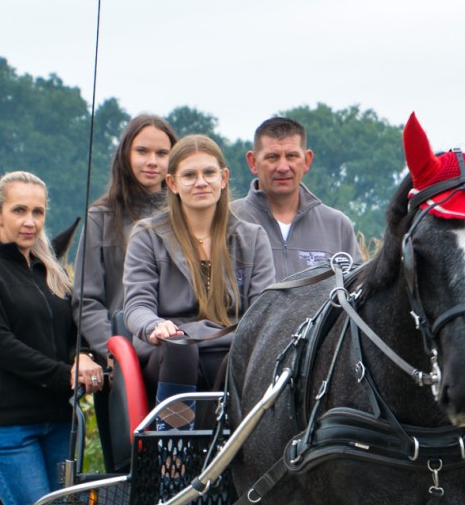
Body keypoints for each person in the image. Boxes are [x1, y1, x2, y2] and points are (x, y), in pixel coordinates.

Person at [0, 171, 103, 505]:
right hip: (5, 424)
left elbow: (73, 330)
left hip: (58, 420)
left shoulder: (50, 271)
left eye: (38, 212)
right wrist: (64, 374)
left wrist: (82, 356)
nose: (30, 221)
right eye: (19, 210)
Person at [123, 134, 275, 426]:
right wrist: (155, 326)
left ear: (223, 178)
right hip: (169, 353)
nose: (201, 182)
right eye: (190, 175)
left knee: (245, 357)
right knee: (181, 349)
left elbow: (264, 310)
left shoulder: (252, 238)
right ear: (172, 183)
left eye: (209, 173)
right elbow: (136, 306)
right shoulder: (147, 236)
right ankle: (174, 445)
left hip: (229, 346)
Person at [77, 114, 178, 471]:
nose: (152, 161)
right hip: (123, 367)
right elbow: (86, 298)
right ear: (125, 155)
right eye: (143, 151)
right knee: (128, 469)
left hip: (177, 359)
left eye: (162, 153)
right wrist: (114, 353)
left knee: (182, 459)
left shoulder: (187, 215)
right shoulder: (101, 217)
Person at [233, 115, 360, 279]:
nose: (283, 167)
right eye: (272, 157)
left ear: (307, 161)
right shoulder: (228, 222)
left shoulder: (337, 225)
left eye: (292, 156)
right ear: (253, 162)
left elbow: (358, 288)